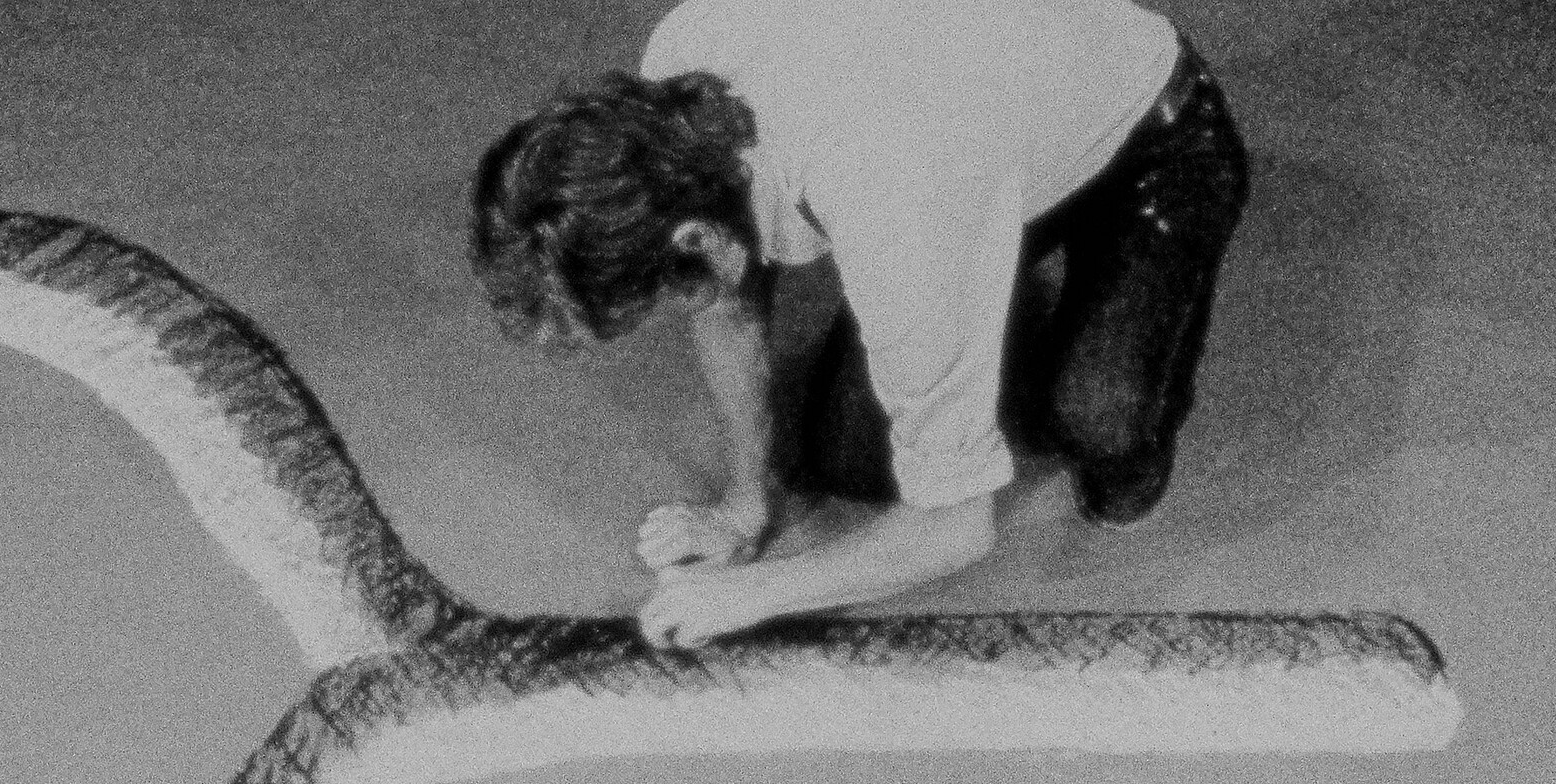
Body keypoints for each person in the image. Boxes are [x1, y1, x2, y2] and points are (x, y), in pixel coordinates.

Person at [471, 0, 1249, 650]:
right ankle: (968, 284)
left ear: (696, 240)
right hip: (973, 138)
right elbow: (723, 300)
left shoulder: (894, 196)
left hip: (1154, 134)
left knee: (1098, 423)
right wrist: (745, 506)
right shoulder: (673, 73)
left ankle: (1131, 385)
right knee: (849, 460)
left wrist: (752, 593)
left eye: (658, 297)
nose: (677, 308)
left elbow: (954, 529)